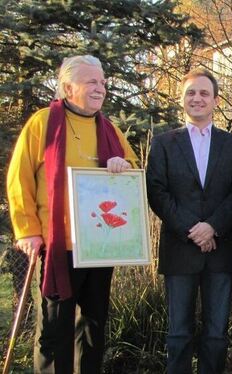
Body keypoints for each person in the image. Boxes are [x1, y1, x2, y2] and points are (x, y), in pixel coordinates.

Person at [7, 55, 137, 373]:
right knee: (55, 332)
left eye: (103, 82)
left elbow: (133, 170)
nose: (101, 88)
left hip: (99, 247)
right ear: (67, 87)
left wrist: (123, 165)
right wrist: (27, 230)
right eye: (92, 81)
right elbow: (18, 177)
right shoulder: (42, 123)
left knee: (93, 330)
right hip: (56, 247)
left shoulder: (108, 129)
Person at [146, 67, 232, 373]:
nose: (197, 98)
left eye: (204, 93)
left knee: (217, 334)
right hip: (180, 248)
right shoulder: (164, 143)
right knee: (178, 333)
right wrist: (192, 229)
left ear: (216, 100)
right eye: (191, 92)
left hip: (220, 250)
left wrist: (212, 226)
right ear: (182, 99)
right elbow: (157, 191)